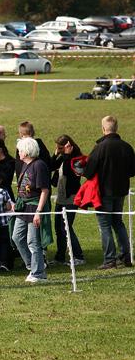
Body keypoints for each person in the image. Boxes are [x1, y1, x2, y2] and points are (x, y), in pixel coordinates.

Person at [83, 116, 135, 269]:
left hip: (104, 192)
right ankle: (126, 256)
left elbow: (89, 172)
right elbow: (132, 170)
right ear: (116, 128)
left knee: (104, 225)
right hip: (121, 190)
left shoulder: (100, 147)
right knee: (118, 222)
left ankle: (109, 259)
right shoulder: (127, 147)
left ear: (103, 128)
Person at [10, 137, 51, 283]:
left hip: (34, 207)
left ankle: (39, 273)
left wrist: (38, 212)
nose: (18, 152)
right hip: (23, 207)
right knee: (17, 237)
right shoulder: (25, 165)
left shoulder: (39, 165)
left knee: (33, 241)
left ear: (26, 151)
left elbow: (44, 191)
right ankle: (32, 265)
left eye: (20, 150)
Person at [49, 134, 85, 266]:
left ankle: (79, 256)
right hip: (61, 197)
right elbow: (51, 166)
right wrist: (56, 153)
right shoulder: (63, 157)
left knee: (67, 227)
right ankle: (60, 257)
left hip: (71, 198)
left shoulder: (77, 159)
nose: (59, 149)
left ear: (68, 146)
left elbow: (73, 176)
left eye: (60, 147)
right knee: (59, 228)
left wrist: (67, 156)